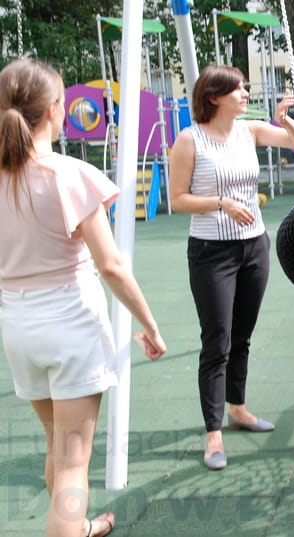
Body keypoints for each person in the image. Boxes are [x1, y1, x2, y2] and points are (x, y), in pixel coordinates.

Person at [0, 58, 167, 537]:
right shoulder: (68, 174)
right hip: (69, 323)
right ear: (56, 109)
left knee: (59, 445)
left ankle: (80, 527)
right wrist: (150, 325)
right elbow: (111, 265)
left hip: (17, 326)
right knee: (73, 462)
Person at [169, 65, 294, 471]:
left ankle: (238, 409)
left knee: (242, 336)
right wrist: (220, 203)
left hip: (254, 247)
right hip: (211, 251)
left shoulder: (250, 131)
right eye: (238, 89)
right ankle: (213, 435)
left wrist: (283, 119)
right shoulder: (189, 140)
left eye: (245, 88)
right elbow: (177, 198)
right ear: (214, 97)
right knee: (217, 342)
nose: (245, 94)